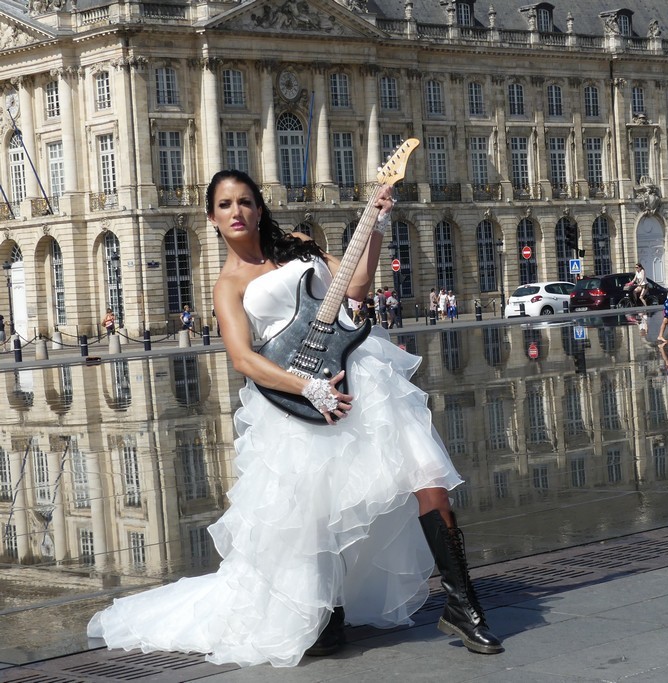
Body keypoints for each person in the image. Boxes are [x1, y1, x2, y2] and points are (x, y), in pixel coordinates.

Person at [87, 170, 503, 667]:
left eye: (245, 201)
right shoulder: (227, 285)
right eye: (225, 205)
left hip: (362, 374)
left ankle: (463, 604)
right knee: (316, 511)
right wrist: (309, 388)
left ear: (260, 209)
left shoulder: (299, 246)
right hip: (298, 396)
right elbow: (242, 358)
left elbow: (359, 282)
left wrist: (374, 225)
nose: (236, 211)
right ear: (212, 217)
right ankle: (325, 608)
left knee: (428, 476)